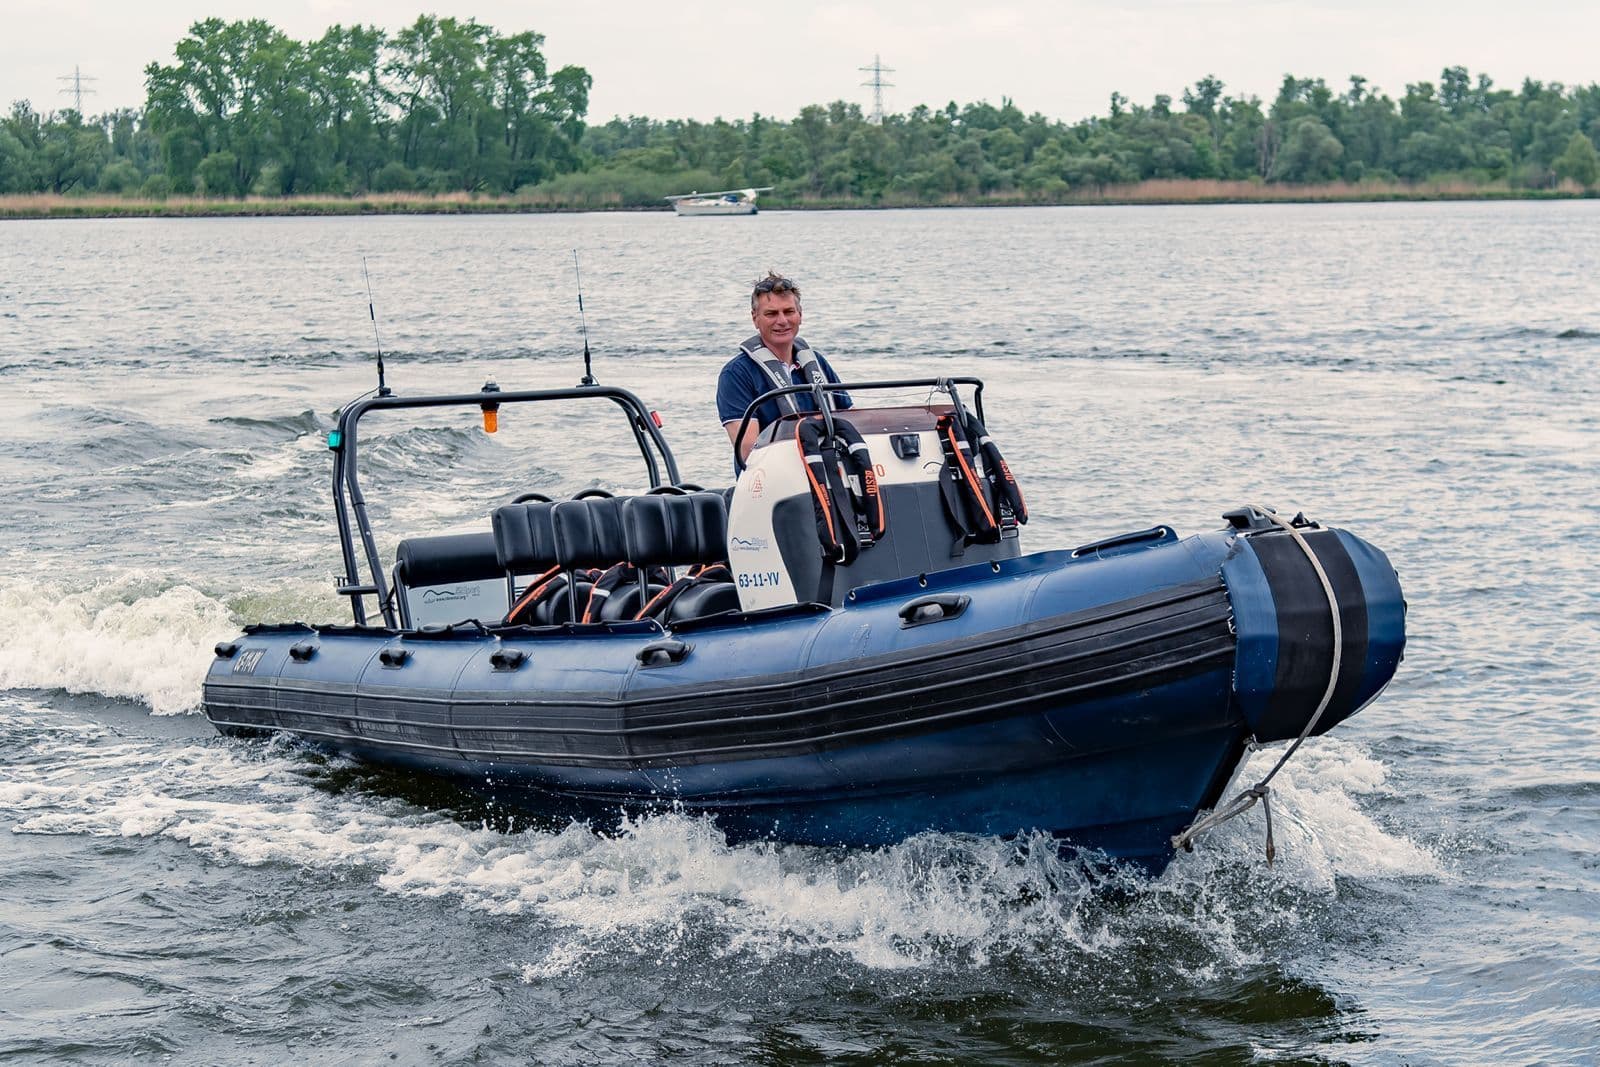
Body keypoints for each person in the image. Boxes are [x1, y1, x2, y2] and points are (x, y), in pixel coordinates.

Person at [716, 272, 852, 464]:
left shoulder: (817, 363)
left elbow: (852, 421)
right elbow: (748, 452)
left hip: (830, 469)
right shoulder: (736, 374)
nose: (782, 321)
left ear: (800, 315)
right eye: (771, 314)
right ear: (755, 318)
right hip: (775, 475)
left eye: (788, 312)